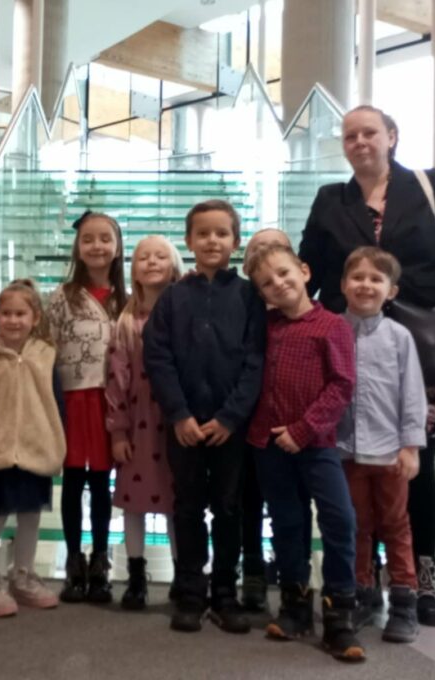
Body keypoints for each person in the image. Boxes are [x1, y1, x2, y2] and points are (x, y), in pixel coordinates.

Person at [298, 105, 435, 627]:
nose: (360, 142)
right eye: (350, 136)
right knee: (355, 464)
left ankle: (422, 580)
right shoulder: (331, 199)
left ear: (391, 136)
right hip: (348, 344)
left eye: (369, 133)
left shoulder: (429, 186)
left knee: (416, 463)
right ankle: (364, 580)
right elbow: (309, 269)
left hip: (423, 344)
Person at [144, 202, 266, 634]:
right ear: (189, 241)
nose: (212, 241)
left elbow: (256, 361)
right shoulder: (173, 298)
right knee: (188, 506)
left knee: (229, 508)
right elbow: (158, 358)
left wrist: (231, 417)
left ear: (236, 241)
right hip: (185, 427)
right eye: (203, 233)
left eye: (221, 233)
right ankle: (191, 591)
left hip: (231, 428)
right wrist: (179, 414)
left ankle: (225, 592)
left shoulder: (250, 297)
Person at [246, 243, 362, 662]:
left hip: (316, 445)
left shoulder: (332, 326)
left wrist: (303, 429)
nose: (278, 284)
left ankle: (339, 610)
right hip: (269, 446)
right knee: (286, 523)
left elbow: (342, 385)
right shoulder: (266, 327)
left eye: (284, 273)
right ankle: (295, 603)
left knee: (339, 519)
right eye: (266, 283)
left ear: (305, 271)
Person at [337, 247, 426, 644]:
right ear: (343, 284)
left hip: (390, 451)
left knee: (395, 525)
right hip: (344, 450)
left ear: (391, 291)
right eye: (358, 277)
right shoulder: (333, 330)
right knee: (355, 525)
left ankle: (404, 600)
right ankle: (362, 593)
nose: (366, 285)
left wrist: (411, 446)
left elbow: (412, 394)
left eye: (376, 279)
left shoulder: (399, 337)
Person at [0, 279, 65, 617]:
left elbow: (56, 404)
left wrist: (56, 441)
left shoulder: (46, 356)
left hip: (35, 449)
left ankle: (23, 575)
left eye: (20, 313)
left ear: (35, 318)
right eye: (5, 313)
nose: (13, 320)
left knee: (31, 515)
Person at [46, 211, 127, 604]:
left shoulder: (127, 299)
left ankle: (100, 563)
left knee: (101, 484)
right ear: (78, 248)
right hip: (72, 398)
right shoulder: (62, 297)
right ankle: (74, 561)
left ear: (118, 246)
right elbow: (45, 348)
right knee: (74, 480)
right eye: (88, 239)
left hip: (111, 401)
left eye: (105, 239)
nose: (97, 246)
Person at [106, 235, 183, 611]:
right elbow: (115, 378)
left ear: (175, 266)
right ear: (133, 270)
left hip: (176, 420)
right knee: (133, 502)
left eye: (160, 256)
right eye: (143, 257)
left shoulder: (184, 313)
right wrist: (118, 430)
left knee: (178, 503)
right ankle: (136, 576)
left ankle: (184, 575)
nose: (152, 262)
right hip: (137, 421)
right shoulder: (125, 321)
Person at [238, 228, 295, 612]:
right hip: (245, 421)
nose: (267, 255)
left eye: (276, 249)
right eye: (258, 250)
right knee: (247, 499)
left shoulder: (302, 312)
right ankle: (253, 569)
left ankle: (292, 577)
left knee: (288, 504)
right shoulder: (240, 305)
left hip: (289, 428)